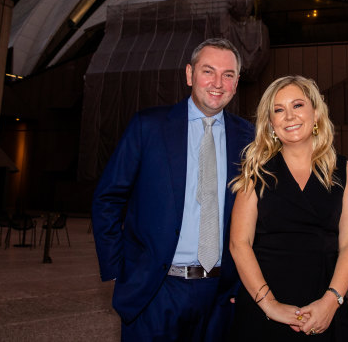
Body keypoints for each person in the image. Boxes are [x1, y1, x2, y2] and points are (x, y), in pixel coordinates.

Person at [92, 38, 255, 341]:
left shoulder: (249, 138)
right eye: (208, 71)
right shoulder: (148, 126)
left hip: (220, 296)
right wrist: (119, 270)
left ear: (236, 82)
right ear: (190, 75)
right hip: (156, 290)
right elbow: (108, 198)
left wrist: (248, 284)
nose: (218, 83)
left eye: (228, 74)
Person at [228, 75, 348, 341]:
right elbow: (239, 243)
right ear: (271, 123)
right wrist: (270, 305)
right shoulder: (255, 172)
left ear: (315, 113)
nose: (289, 116)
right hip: (263, 309)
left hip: (324, 306)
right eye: (278, 110)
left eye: (298, 105)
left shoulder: (344, 171)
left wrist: (331, 301)